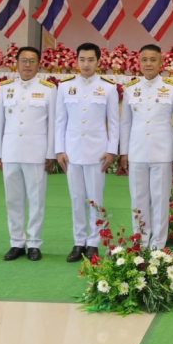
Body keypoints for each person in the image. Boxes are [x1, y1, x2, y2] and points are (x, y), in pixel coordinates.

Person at [56, 42, 119, 263]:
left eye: (91, 60)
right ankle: (79, 242)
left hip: (97, 152)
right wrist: (59, 149)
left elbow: (114, 122)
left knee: (95, 199)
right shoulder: (65, 87)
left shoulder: (108, 88)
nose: (86, 64)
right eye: (82, 59)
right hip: (72, 152)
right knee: (76, 198)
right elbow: (60, 121)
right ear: (77, 60)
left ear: (98, 61)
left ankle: (94, 243)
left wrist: (111, 150)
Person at [0, 46, 56, 262]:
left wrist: (50, 153)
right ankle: (16, 242)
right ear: (17, 63)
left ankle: (34, 243)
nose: (27, 65)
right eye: (23, 61)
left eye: (32, 61)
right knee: (13, 199)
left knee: (36, 200)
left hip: (36, 152)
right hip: (11, 151)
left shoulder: (48, 89)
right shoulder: (5, 88)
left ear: (39, 64)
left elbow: (52, 124)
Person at [119, 44, 173, 250]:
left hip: (162, 151)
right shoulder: (130, 89)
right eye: (144, 59)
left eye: (153, 60)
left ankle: (157, 245)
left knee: (160, 199)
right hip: (137, 151)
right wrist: (124, 152)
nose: (148, 64)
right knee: (138, 199)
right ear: (139, 62)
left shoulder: (172, 88)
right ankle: (141, 241)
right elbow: (125, 123)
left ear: (161, 62)